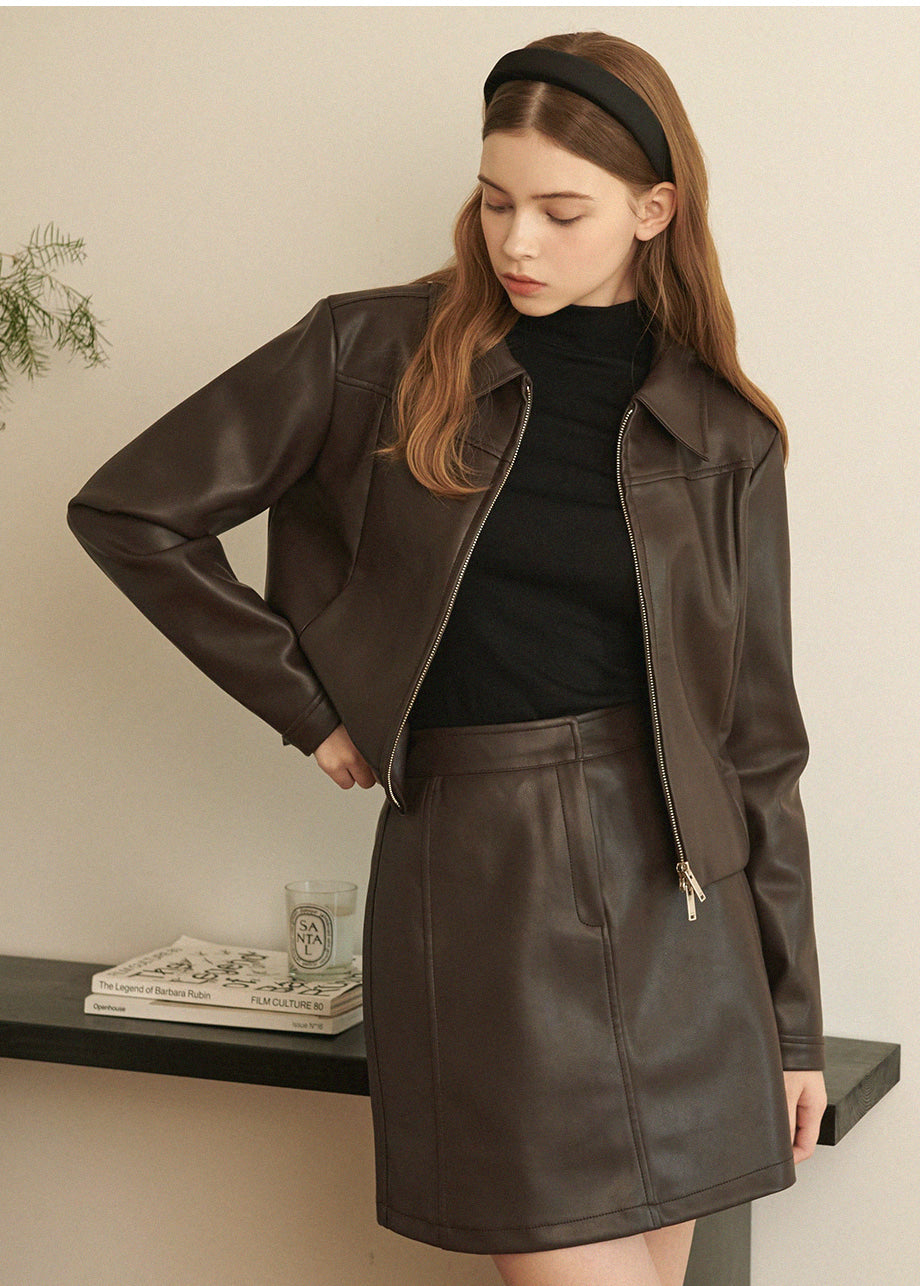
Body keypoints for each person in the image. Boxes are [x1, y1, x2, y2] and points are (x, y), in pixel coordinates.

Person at [67, 30, 827, 1286]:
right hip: (482, 876)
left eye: (560, 212)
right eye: (493, 201)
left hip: (685, 910)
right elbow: (131, 511)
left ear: (652, 210)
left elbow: (755, 740)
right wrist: (311, 707)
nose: (515, 241)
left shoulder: (719, 430)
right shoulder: (368, 353)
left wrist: (791, 1022)